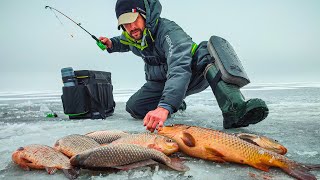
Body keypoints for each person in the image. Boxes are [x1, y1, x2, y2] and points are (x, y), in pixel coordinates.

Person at [99, 0, 269, 132]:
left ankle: (235, 108)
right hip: (161, 81)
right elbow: (124, 42)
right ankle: (177, 103)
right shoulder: (133, 36)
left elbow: (179, 67)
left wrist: (164, 107)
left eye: (133, 20)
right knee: (134, 107)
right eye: (125, 24)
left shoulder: (168, 31)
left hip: (195, 73)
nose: (131, 28)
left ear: (145, 15)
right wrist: (111, 44)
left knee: (204, 50)